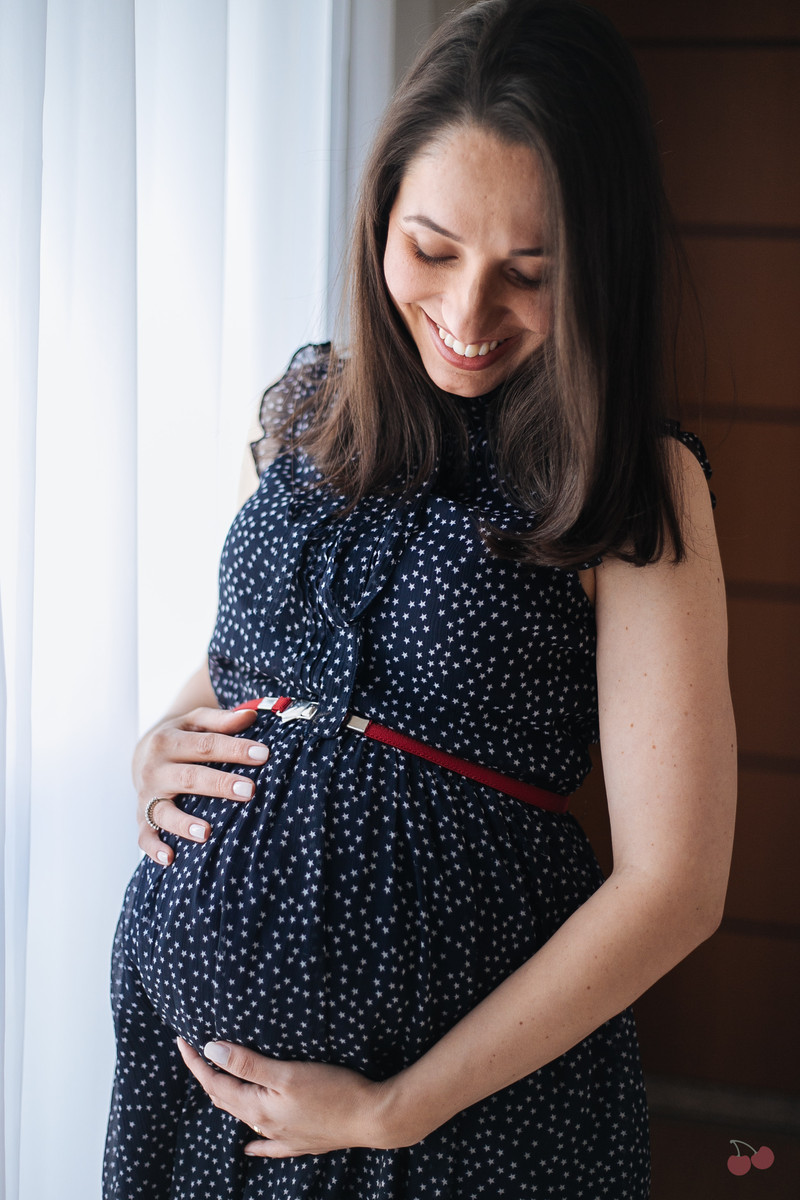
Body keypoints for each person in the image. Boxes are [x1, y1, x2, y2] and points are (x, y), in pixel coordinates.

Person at [104, 1, 736, 1196]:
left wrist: (396, 1108)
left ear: (596, 270)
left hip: (453, 1129)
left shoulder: (633, 485)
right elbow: (254, 671)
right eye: (431, 250)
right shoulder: (310, 410)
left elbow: (674, 889)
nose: (466, 313)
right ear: (379, 216)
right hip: (192, 1097)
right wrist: (159, 743)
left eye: (529, 275)